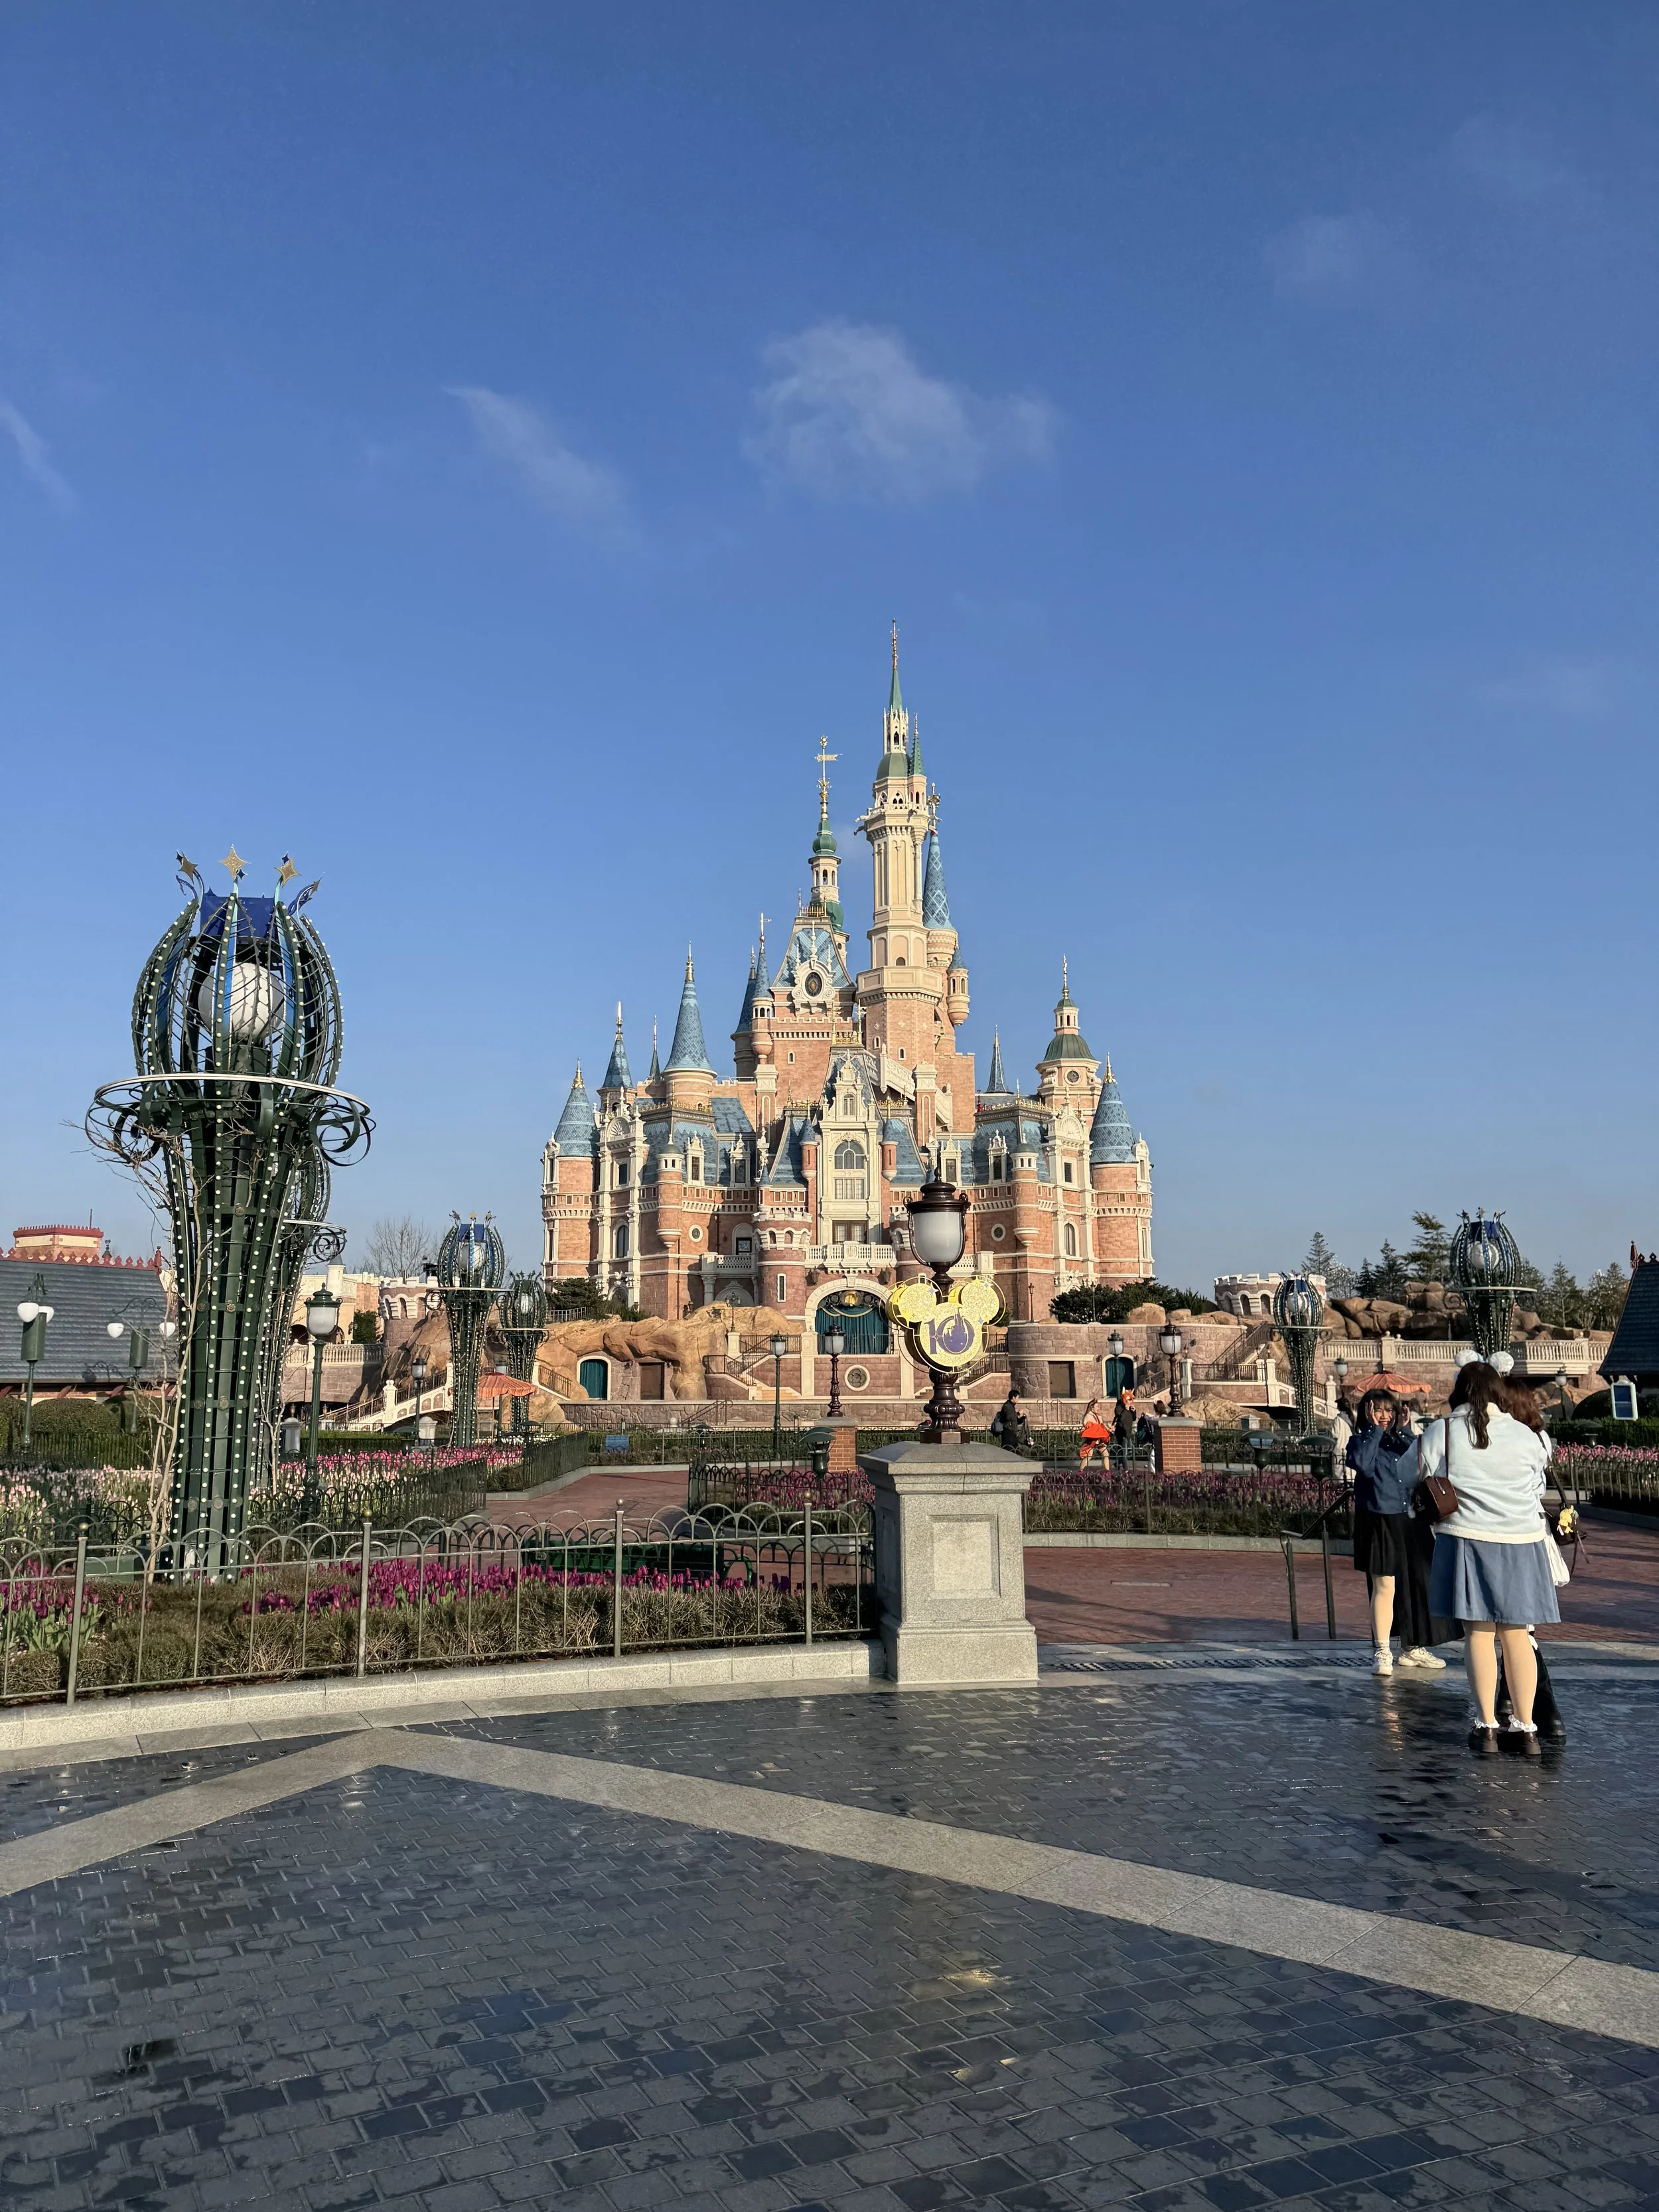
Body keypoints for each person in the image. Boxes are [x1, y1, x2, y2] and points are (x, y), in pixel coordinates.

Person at [1422, 1353, 1558, 1755]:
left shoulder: (1443, 1429)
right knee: (1517, 1635)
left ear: (1460, 1391)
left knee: (1479, 1634)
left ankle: (1486, 1728)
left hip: (1468, 1537)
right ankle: (1527, 1729)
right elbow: (1536, 1482)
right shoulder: (1526, 1435)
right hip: (1522, 1541)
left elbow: (1410, 1473)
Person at [1346, 1389, 1446, 1676]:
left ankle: (1412, 1646)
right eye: (1378, 1410)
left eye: (1389, 1410)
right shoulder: (1361, 1441)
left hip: (1410, 1519)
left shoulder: (1399, 1441)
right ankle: (1382, 1650)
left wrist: (1403, 1430)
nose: (1385, 1416)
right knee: (1385, 1585)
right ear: (1367, 1412)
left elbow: (1421, 1459)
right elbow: (1362, 1465)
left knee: (1416, 1584)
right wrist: (1375, 1431)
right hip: (1379, 1520)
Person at [989, 1388, 1031, 1456]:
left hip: (1012, 1431)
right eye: (1017, 1398)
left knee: (1014, 1450)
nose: (1018, 1399)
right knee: (1008, 1450)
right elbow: (1009, 1417)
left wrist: (1022, 1418)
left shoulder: (1011, 1406)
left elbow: (1014, 1420)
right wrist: (1018, 1414)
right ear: (1013, 1398)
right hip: (1008, 1432)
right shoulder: (1007, 1406)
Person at [1078, 1396, 1110, 1469]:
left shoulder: (1098, 1417)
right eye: (1097, 1407)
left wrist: (1108, 1428)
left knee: (1106, 1454)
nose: (1098, 1408)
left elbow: (1102, 1427)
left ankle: (1107, 1472)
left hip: (1099, 1440)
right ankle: (1080, 1471)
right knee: (1089, 1455)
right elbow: (1088, 1426)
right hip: (1091, 1440)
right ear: (1092, 1408)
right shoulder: (1088, 1416)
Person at [1112, 1389, 1137, 1465]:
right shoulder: (1119, 1408)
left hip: (1128, 1432)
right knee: (1124, 1450)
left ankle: (1118, 1463)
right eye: (1129, 1400)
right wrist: (1126, 1409)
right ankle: (1125, 1468)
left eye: (1132, 1400)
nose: (1131, 1402)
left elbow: (1134, 1418)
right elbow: (1121, 1418)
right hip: (1122, 1432)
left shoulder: (1130, 1408)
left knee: (1130, 1450)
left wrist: (1134, 1411)